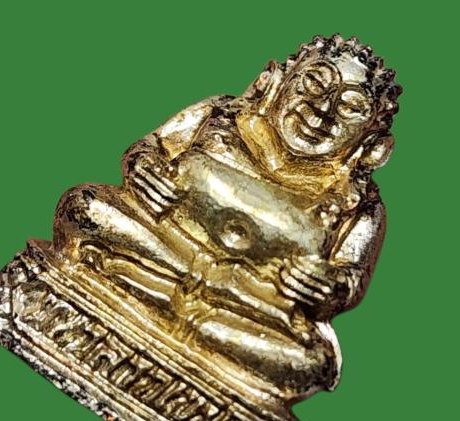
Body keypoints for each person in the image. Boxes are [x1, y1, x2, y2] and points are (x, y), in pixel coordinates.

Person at [53, 34, 401, 399]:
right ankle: (190, 319)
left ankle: (147, 294)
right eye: (314, 84)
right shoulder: (219, 115)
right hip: (166, 246)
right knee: (85, 207)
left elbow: (349, 277)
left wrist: (328, 285)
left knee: (315, 361)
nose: (322, 111)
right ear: (272, 82)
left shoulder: (358, 204)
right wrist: (144, 168)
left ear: (374, 145)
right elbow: (149, 148)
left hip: (249, 298)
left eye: (351, 107)